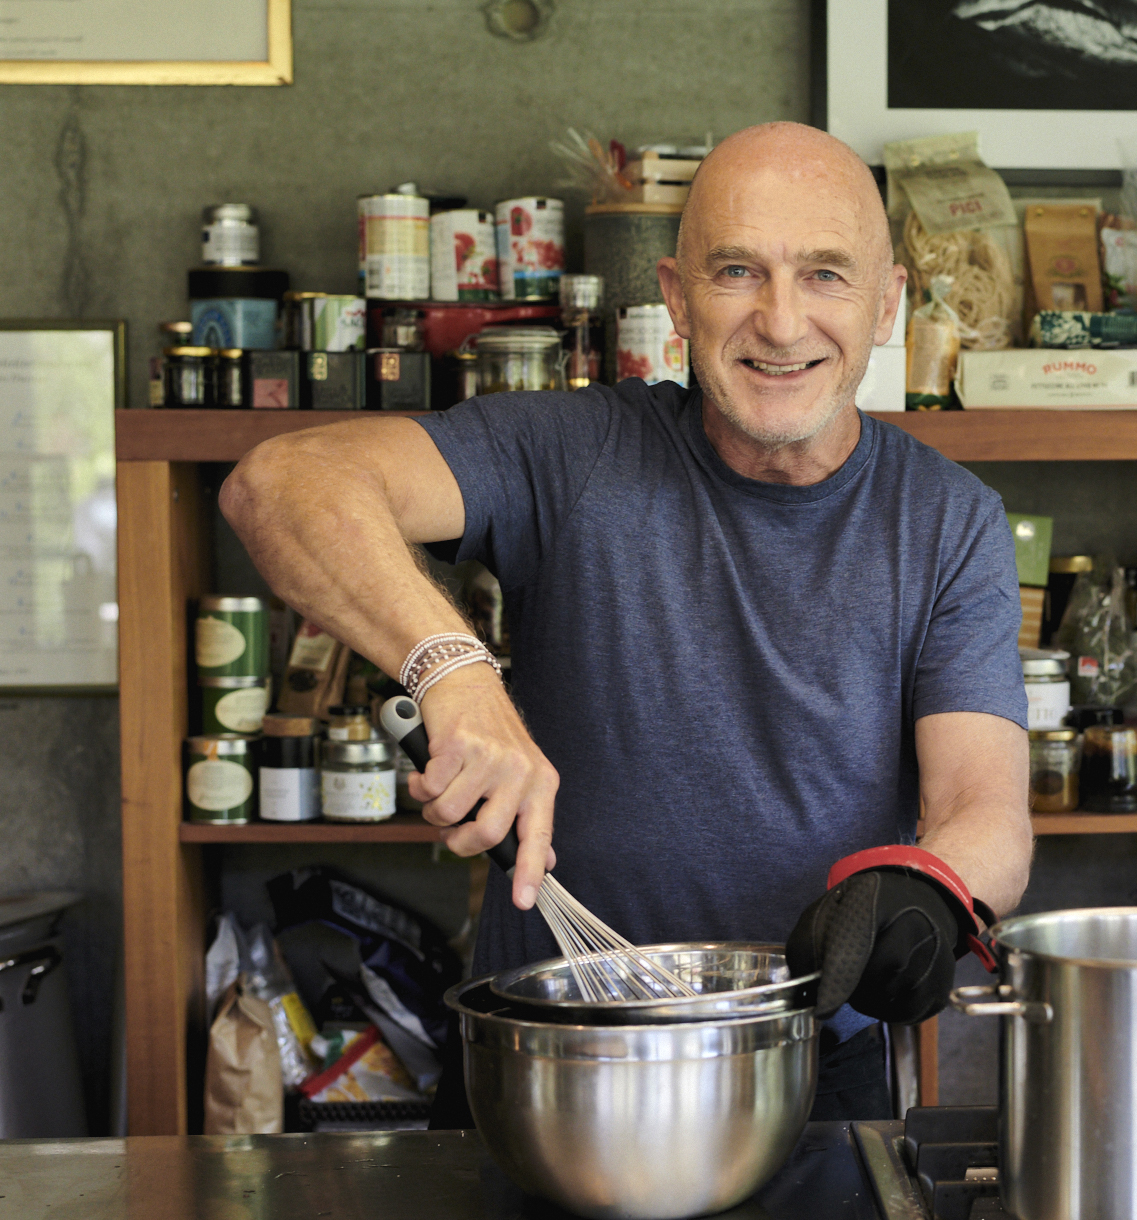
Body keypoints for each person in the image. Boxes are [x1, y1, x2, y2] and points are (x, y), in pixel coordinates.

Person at [221, 121, 1032, 1122]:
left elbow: (986, 804)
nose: (781, 323)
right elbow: (279, 484)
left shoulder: (948, 520)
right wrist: (454, 672)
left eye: (825, 274)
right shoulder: (569, 453)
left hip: (814, 1060)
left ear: (887, 301)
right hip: (557, 1052)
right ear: (676, 297)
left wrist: (931, 889)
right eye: (738, 270)